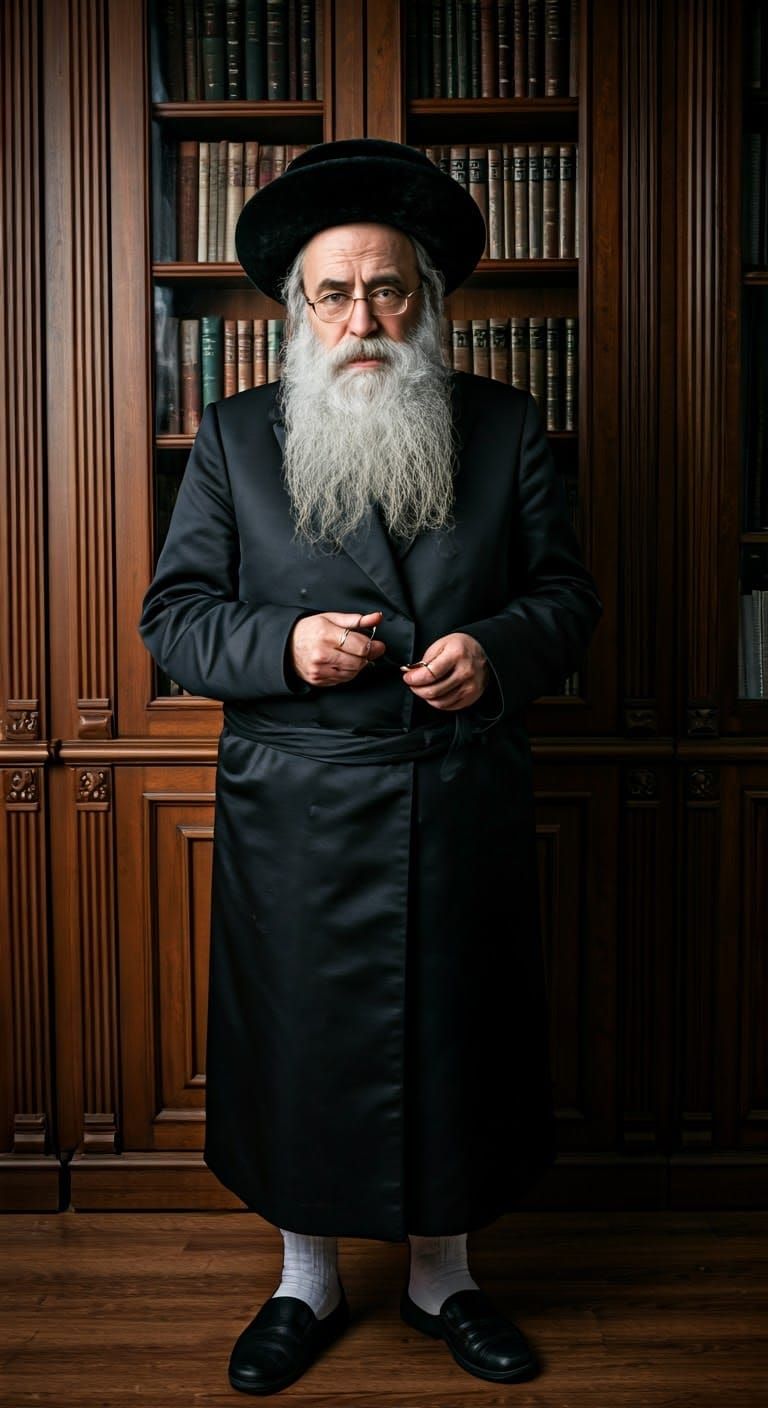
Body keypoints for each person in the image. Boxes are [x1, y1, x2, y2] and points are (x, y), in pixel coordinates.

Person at [138, 138, 603, 1395]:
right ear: (299, 311)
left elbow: (567, 599)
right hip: (296, 811)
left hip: (456, 796)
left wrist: (496, 650)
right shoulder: (237, 435)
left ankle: (444, 1279)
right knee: (301, 1054)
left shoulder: (504, 426)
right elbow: (174, 618)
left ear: (425, 301)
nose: (363, 320)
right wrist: (285, 645)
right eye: (334, 293)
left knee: (457, 1047)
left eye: (388, 289)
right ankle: (306, 1279)